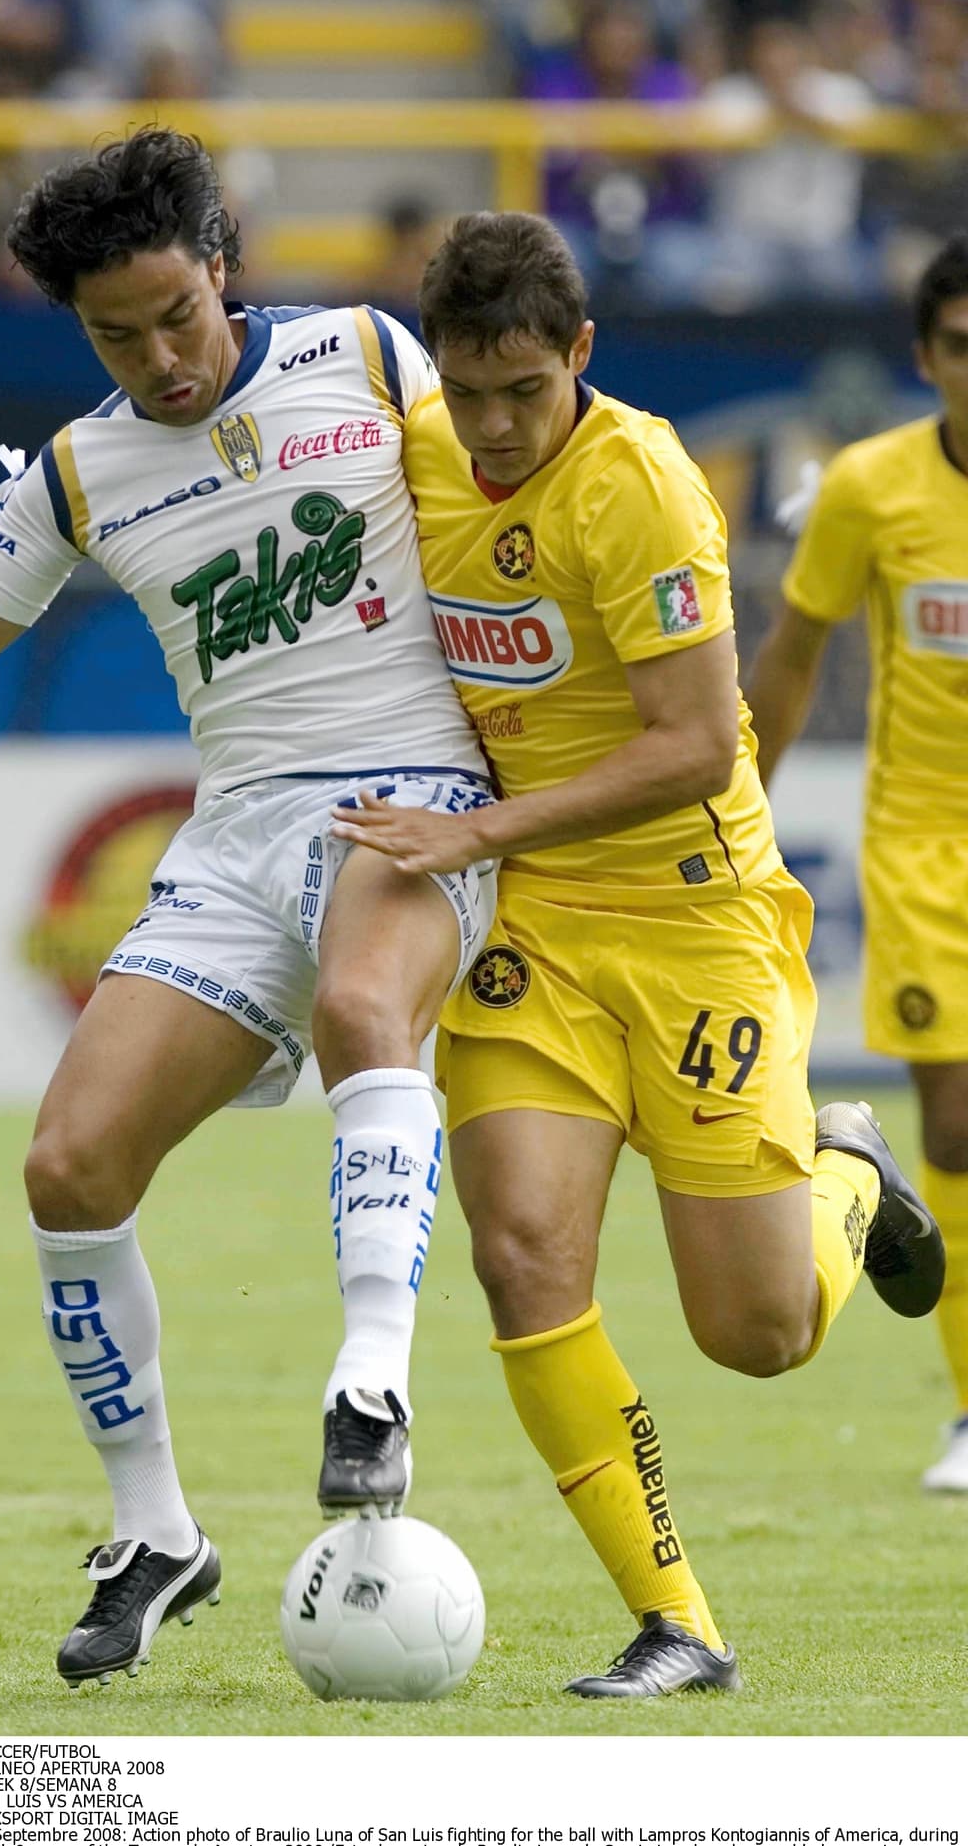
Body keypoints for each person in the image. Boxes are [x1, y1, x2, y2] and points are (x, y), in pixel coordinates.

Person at [0, 129, 496, 1687]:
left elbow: (518, 514)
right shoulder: (82, 468)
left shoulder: (367, 353)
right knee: (69, 1165)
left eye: (175, 316)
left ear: (223, 262)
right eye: (112, 335)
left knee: (365, 1006)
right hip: (231, 842)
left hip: (413, 789)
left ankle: (373, 1387)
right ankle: (156, 1534)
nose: (156, 357)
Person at [331, 210, 945, 1698]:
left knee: (760, 1333)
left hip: (689, 912)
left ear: (581, 356)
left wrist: (471, 833)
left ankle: (846, 1164)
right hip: (533, 926)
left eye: (523, 393)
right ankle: (679, 1622)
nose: (491, 427)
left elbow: (689, 748)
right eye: (468, 394)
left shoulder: (645, 488)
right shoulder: (416, 448)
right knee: (522, 1250)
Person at [746, 233, 968, 1496]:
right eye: (957, 349)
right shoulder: (870, 488)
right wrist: (738, 814)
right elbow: (791, 653)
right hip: (925, 840)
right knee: (955, 1121)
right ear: (924, 356)